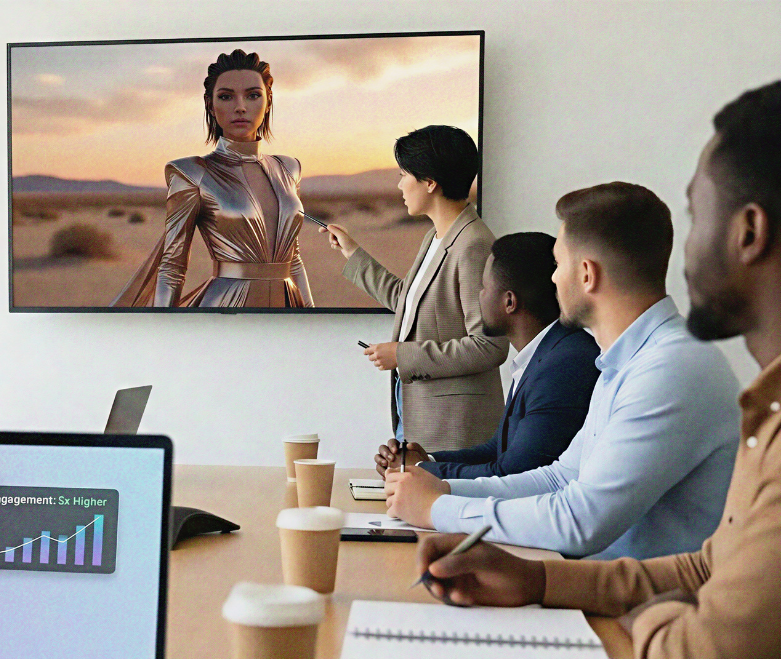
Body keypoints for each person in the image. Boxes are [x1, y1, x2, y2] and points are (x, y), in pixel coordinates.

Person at [414, 76, 781, 659]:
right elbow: (705, 569)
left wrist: (649, 617)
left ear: (748, 232)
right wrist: (540, 580)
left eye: (698, 218)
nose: (680, 253)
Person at [386, 182, 739, 560]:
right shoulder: (626, 361)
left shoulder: (670, 369)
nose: (553, 279)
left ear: (587, 274)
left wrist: (437, 509)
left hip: (643, 610)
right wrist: (444, 490)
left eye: (560, 264)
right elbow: (559, 477)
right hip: (603, 591)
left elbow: (579, 522)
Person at [324, 125, 508, 451]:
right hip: (420, 414)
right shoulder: (436, 236)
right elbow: (407, 299)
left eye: (403, 174)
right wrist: (352, 251)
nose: (398, 185)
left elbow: (489, 346)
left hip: (455, 427)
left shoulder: (472, 245)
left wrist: (402, 354)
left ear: (430, 182)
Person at [375, 232, 599, 479]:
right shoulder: (545, 353)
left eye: (483, 287)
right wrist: (426, 459)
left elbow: (513, 473)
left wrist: (419, 470)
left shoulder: (563, 367)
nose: (479, 295)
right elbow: (497, 450)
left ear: (509, 302)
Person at [111, 48, 313, 308]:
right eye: (226, 97)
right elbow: (172, 266)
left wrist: (311, 315)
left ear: (268, 100)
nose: (240, 107)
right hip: (224, 311)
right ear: (210, 104)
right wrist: (164, 328)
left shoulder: (289, 168)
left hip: (289, 306)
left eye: (253, 95)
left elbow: (293, 259)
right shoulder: (192, 173)